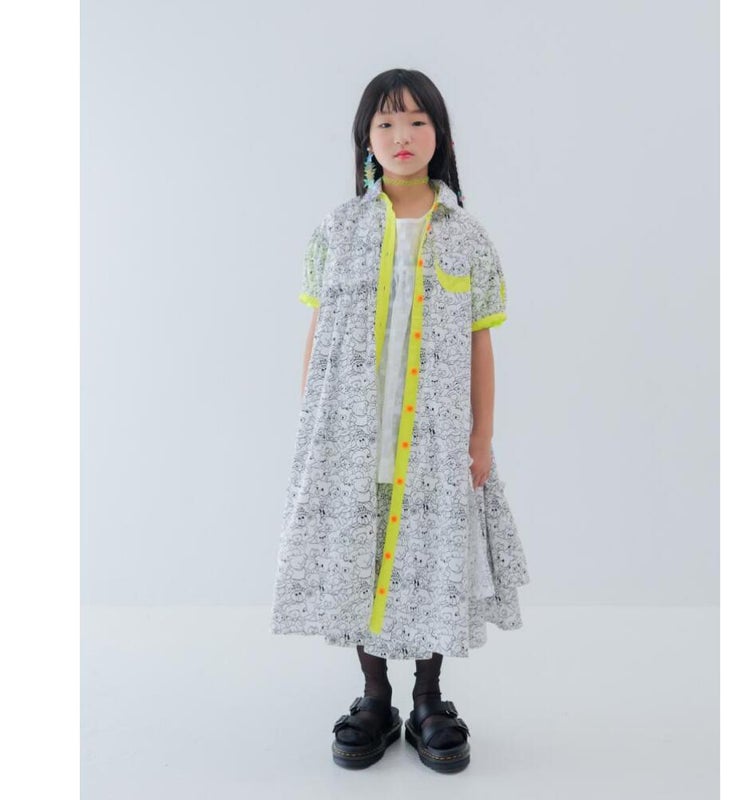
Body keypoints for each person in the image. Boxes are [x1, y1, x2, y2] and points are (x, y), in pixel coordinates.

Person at [270, 68, 530, 773]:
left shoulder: (467, 237)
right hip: (353, 438)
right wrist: (313, 430)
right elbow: (319, 333)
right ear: (366, 140)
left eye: (417, 121)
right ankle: (375, 696)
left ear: (440, 135)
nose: (402, 135)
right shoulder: (338, 230)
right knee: (360, 558)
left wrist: (481, 438)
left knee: (436, 558)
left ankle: (429, 698)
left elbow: (480, 343)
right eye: (385, 123)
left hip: (436, 443)